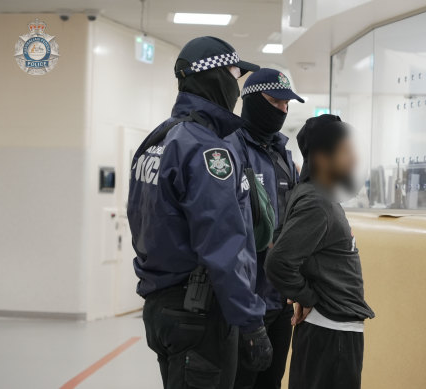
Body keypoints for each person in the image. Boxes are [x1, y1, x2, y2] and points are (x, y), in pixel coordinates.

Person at [127, 36, 272, 389]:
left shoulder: (159, 139)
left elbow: (138, 217)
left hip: (162, 306)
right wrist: (251, 322)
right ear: (216, 77)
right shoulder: (207, 151)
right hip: (200, 313)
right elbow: (223, 246)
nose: (236, 90)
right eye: (234, 76)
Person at [265, 114, 375, 389]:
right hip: (331, 334)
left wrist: (306, 294)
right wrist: (308, 296)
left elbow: (283, 243)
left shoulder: (316, 196)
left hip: (330, 331)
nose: (354, 160)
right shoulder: (317, 203)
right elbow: (279, 262)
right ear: (322, 158)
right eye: (346, 152)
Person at [226, 69, 304, 389]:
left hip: (281, 302)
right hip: (246, 303)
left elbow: (296, 222)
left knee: (272, 381)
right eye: (275, 102)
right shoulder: (230, 149)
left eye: (287, 106)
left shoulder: (284, 156)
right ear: (254, 101)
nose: (282, 112)